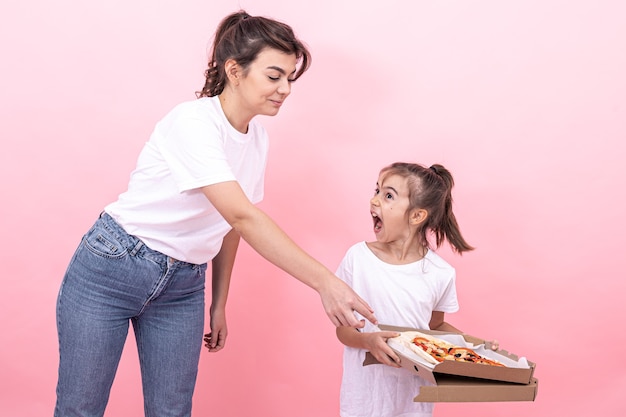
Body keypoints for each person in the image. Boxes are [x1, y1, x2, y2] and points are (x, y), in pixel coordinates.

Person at [54, 10, 376, 417]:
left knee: (172, 411)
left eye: (290, 79)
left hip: (183, 285)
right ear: (235, 71)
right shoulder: (192, 122)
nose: (285, 89)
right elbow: (243, 216)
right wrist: (325, 283)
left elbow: (229, 226)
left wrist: (218, 301)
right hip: (113, 268)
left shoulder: (256, 139)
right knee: (80, 409)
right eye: (274, 76)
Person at [336, 162, 492, 417]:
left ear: (417, 216)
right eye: (376, 191)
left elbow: (436, 327)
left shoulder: (440, 273)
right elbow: (343, 330)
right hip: (364, 401)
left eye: (388, 196)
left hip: (412, 403)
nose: (374, 201)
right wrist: (368, 341)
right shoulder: (358, 258)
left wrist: (476, 348)